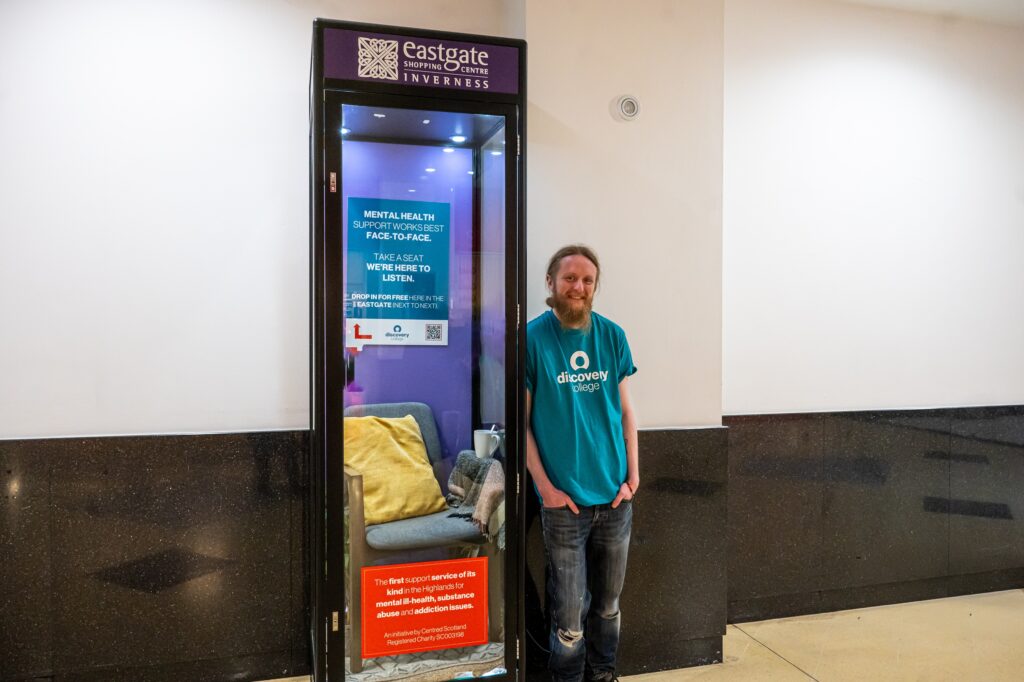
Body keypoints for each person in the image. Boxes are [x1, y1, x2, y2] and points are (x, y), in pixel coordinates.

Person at [525, 244, 639, 682]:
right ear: (551, 283)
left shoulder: (612, 335)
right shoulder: (532, 339)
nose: (579, 287)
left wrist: (633, 475)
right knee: (569, 621)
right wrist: (546, 489)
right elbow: (524, 425)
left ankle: (604, 675)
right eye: (570, 278)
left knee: (608, 608)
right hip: (564, 505)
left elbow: (626, 412)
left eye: (587, 280)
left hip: (614, 499)